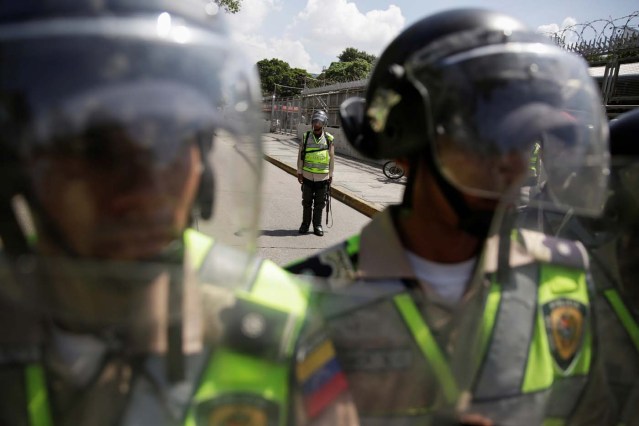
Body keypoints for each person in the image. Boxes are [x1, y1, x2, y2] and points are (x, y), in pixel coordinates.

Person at [0, 1, 358, 425]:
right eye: (94, 146)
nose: (142, 184)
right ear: (20, 167)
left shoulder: (280, 320)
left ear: (201, 162)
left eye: (169, 138)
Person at [286, 8, 611, 425]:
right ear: (406, 149)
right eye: (488, 142)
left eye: (525, 143)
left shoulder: (563, 279)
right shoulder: (303, 300)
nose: (513, 167)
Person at [297, 110, 335, 236]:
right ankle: (305, 224)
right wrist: (299, 171)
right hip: (307, 176)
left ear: (323, 124)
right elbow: (300, 156)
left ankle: (317, 225)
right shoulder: (306, 136)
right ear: (312, 123)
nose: (317, 125)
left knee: (320, 204)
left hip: (322, 178)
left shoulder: (329, 139)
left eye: (319, 123)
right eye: (315, 122)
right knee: (306, 202)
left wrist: (330, 175)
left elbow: (331, 158)